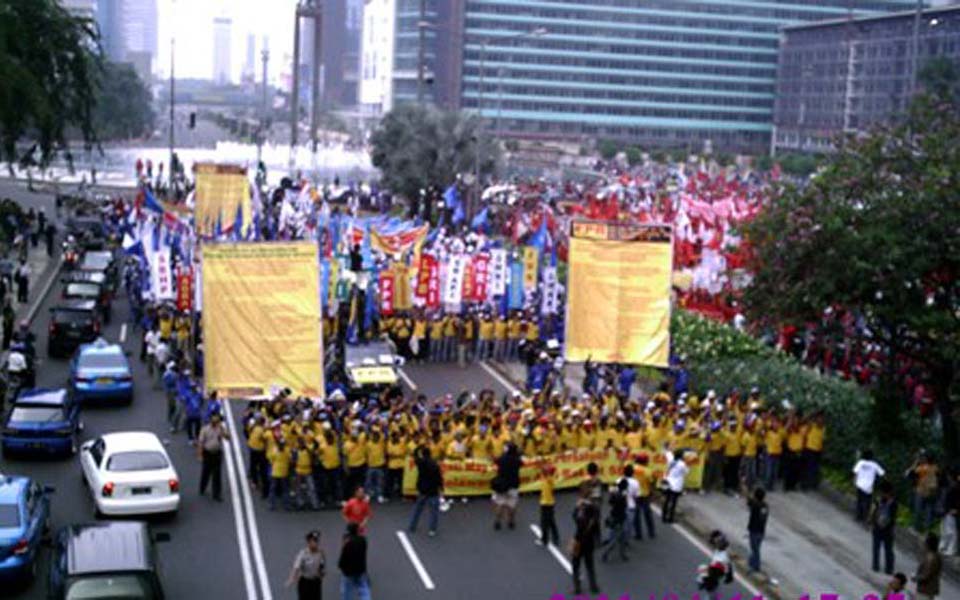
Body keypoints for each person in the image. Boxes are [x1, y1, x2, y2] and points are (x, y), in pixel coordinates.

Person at [571, 484, 601, 595]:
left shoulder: (581, 508)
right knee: (590, 564)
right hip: (590, 540)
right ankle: (593, 586)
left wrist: (577, 507)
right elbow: (597, 525)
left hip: (579, 539)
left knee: (576, 563)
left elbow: (576, 519)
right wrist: (597, 539)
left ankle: (577, 587)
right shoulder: (595, 508)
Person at [408, 446, 442, 536]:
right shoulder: (435, 464)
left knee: (418, 509)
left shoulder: (421, 463)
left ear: (422, 454)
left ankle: (412, 526)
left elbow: (415, 456)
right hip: (433, 490)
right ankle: (432, 530)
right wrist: (441, 487)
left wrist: (418, 448)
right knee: (434, 511)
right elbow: (439, 477)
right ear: (430, 454)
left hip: (423, 489)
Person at [197, 413, 230, 501]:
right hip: (207, 453)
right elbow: (201, 442)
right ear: (211, 419)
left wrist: (223, 429)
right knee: (206, 472)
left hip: (217, 453)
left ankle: (217, 494)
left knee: (217, 475)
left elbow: (228, 438)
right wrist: (200, 455)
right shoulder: (205, 429)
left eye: (217, 420)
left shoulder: (220, 428)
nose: (216, 421)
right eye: (214, 419)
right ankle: (202, 487)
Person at [906, 451, 940, 533]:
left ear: (926, 459)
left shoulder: (922, 468)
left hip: (921, 491)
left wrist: (916, 462)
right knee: (929, 510)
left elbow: (908, 473)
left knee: (918, 510)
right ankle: (927, 530)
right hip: (932, 492)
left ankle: (915, 528)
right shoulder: (936, 468)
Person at [286, 530, 325, 600]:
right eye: (314, 541)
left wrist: (321, 574)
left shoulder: (320, 553)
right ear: (309, 542)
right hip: (305, 582)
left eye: (317, 541)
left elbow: (322, 566)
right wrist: (291, 578)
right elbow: (296, 566)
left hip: (316, 582)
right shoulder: (303, 554)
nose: (316, 543)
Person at [870, 480, 898, 575]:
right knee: (888, 549)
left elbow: (873, 512)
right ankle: (888, 569)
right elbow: (893, 518)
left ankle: (875, 566)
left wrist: (872, 522)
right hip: (888, 529)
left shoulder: (878, 500)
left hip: (878, 527)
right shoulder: (893, 502)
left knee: (876, 547)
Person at [492, 442, 522, 530]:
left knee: (500, 503)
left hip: (502, 485)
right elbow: (521, 463)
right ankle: (511, 521)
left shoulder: (502, 458)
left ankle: (497, 521)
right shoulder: (517, 460)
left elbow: (495, 461)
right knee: (512, 504)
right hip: (513, 485)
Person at [339, 522, 370, 600]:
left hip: (348, 572)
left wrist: (341, 567)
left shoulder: (347, 543)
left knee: (347, 592)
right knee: (364, 590)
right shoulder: (363, 540)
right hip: (361, 570)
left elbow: (343, 558)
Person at [600, 478, 629, 562]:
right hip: (619, 519)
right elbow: (625, 506)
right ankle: (605, 553)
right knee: (615, 540)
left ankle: (623, 555)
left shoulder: (615, 494)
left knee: (622, 537)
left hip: (614, 517)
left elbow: (610, 502)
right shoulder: (622, 496)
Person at [853, 449, 885, 523]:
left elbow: (855, 472)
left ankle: (858, 516)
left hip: (859, 485)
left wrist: (854, 482)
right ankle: (865, 517)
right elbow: (882, 473)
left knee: (859, 501)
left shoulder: (860, 463)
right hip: (868, 487)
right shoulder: (874, 465)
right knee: (867, 502)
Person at [746, 487, 769, 574]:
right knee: (756, 548)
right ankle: (751, 562)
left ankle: (756, 566)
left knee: (755, 549)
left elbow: (748, 500)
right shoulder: (765, 506)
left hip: (754, 530)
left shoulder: (755, 505)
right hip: (761, 530)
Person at [662, 450, 689, 523]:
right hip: (676, 485)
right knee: (673, 502)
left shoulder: (670, 460)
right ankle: (670, 518)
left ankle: (664, 517)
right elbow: (686, 472)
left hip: (668, 482)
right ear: (681, 456)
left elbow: (666, 452)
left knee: (667, 500)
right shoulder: (682, 464)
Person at [914, 533, 942, 600]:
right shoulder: (933, 555)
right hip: (927, 589)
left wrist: (915, 577)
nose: (921, 543)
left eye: (923, 542)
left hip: (925, 590)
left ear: (928, 544)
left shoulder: (931, 558)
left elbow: (926, 575)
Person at [536, 464, 559, 547]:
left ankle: (544, 540)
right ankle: (556, 538)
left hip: (546, 503)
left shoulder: (549, 480)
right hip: (547, 503)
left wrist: (547, 470)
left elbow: (549, 471)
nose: (543, 472)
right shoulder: (546, 479)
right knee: (551, 521)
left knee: (544, 522)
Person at [941, 470, 960, 556]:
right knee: (945, 529)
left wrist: (956, 509)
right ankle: (945, 546)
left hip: (951, 511)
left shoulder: (955, 486)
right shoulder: (951, 485)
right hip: (947, 511)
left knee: (951, 531)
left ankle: (951, 549)